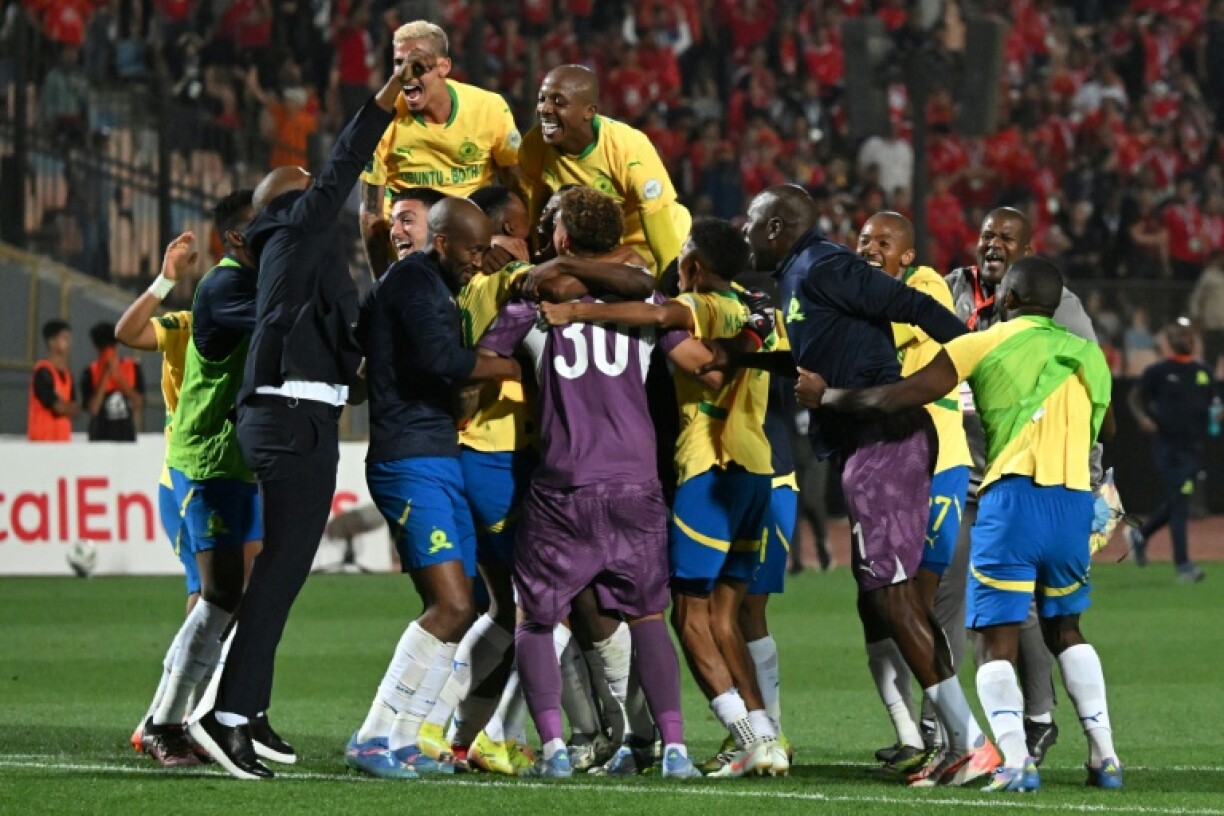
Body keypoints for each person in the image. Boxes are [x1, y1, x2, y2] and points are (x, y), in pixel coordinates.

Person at [803, 256, 1123, 793]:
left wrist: (827, 397)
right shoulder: (1088, 354)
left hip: (1012, 499)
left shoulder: (985, 341)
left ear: (1010, 299)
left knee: (994, 637)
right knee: (1065, 628)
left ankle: (1016, 762)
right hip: (1072, 504)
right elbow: (1107, 427)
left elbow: (896, 395)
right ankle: (1105, 756)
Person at [188, 58, 416, 782]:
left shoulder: (323, 269)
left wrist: (383, 272)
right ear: (288, 204)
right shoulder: (292, 228)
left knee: (283, 576)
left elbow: (357, 348)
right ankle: (223, 716)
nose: (329, 200)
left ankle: (247, 709)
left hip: (306, 419)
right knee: (279, 574)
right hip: (288, 417)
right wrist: (384, 98)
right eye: (309, 190)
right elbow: (342, 164)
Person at [728, 184, 997, 788]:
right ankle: (958, 739)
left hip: (886, 440)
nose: (743, 229)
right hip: (867, 445)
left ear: (775, 228)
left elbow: (914, 307)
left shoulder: (825, 265)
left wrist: (982, 362)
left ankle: (970, 741)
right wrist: (735, 359)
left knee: (896, 596)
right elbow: (811, 364)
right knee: (886, 596)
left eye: (752, 219)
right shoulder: (798, 278)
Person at [540, 216, 786, 778]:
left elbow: (672, 332)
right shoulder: (760, 310)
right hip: (758, 470)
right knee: (725, 619)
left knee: (685, 616)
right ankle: (766, 737)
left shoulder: (706, 304)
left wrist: (579, 311)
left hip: (709, 466)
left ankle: (744, 733)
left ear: (694, 266)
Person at [479, 186, 710, 780]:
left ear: (560, 238)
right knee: (649, 617)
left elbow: (478, 363)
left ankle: (555, 750)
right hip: (636, 484)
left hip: (563, 487)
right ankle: (676, 749)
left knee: (536, 618)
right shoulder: (644, 304)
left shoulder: (531, 303)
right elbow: (696, 364)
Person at [345, 198, 523, 779]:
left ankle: (404, 738)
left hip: (436, 451)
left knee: (462, 602)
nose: (479, 261)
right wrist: (508, 366)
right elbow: (443, 360)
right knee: (449, 604)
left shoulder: (428, 284)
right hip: (408, 457)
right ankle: (373, 734)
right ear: (441, 242)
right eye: (473, 250)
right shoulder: (415, 284)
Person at [944, 206, 1100, 765]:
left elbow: (1087, 389)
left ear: (1027, 250)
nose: (993, 245)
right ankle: (941, 727)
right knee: (943, 591)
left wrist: (1094, 482)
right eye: (986, 234)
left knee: (1018, 610)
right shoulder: (951, 291)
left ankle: (1035, 719)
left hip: (1023, 476)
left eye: (1007, 238)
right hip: (957, 469)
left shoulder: (1062, 307)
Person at [856, 212, 972, 773]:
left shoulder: (925, 286)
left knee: (917, 605)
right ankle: (911, 733)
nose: (871, 249)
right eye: (863, 241)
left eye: (884, 242)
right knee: (876, 602)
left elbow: (883, 331)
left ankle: (952, 737)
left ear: (907, 256)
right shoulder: (861, 297)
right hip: (883, 463)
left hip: (939, 461)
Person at [358, 20, 522, 277]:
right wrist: (381, 283)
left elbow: (517, 187)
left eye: (417, 65)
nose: (406, 74)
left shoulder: (489, 108)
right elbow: (371, 213)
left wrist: (517, 243)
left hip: (473, 252)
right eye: (399, 63)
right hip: (412, 258)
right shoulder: (381, 119)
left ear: (444, 67)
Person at [519, 65, 691, 277]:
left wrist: (671, 288)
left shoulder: (628, 148)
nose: (544, 109)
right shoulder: (533, 146)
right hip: (597, 251)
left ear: (589, 111)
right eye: (542, 99)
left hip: (650, 244)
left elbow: (660, 231)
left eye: (558, 102)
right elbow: (537, 208)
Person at [1127, 320, 1217, 583]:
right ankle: (1184, 566)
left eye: (1187, 334)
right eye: (1178, 333)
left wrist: (1217, 416)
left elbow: (1213, 406)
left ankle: (1139, 535)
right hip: (1167, 447)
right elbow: (1134, 397)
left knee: (1178, 501)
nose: (1184, 338)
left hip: (1192, 448)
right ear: (1170, 338)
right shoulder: (1158, 371)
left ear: (1193, 339)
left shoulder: (1203, 372)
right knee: (1180, 504)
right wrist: (1142, 417)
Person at [80, 321, 144, 442]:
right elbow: (93, 409)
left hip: (127, 437)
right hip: (99, 438)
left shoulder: (132, 367)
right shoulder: (90, 372)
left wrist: (118, 377)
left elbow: (138, 402)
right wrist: (105, 375)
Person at [28, 319, 78, 441]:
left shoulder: (67, 374)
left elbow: (75, 410)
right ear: (52, 342)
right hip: (43, 442)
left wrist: (63, 405)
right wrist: (65, 406)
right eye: (64, 338)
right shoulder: (42, 371)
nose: (69, 343)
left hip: (62, 441)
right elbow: (56, 406)